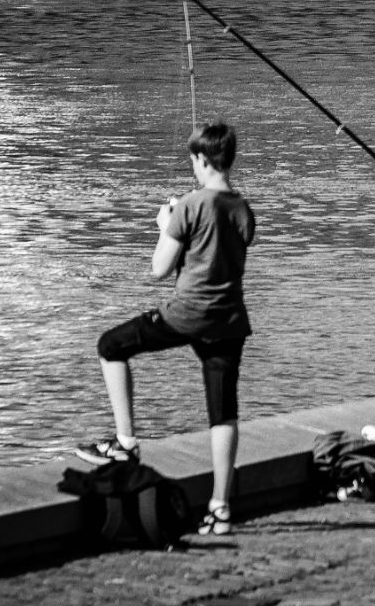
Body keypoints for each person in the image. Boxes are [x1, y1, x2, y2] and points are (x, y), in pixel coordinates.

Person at [78, 119, 254, 537]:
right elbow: (221, 252)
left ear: (202, 159)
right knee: (223, 412)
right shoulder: (243, 208)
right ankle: (221, 507)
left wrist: (165, 224)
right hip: (229, 319)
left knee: (111, 346)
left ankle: (125, 442)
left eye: (192, 160)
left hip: (185, 314)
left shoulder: (191, 206)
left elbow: (159, 269)